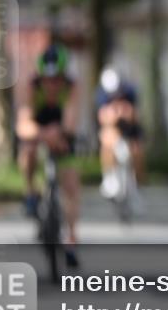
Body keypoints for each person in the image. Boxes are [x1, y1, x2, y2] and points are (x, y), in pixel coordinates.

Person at [15, 44, 81, 267]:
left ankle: (71, 239)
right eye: (47, 79)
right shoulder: (32, 87)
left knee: (70, 183)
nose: (52, 85)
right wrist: (43, 134)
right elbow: (23, 123)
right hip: (40, 128)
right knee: (28, 151)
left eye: (57, 79)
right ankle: (31, 192)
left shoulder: (71, 87)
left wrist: (61, 135)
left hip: (62, 133)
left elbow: (71, 121)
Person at [96, 66, 146, 199]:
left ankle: (137, 184)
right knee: (107, 140)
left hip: (131, 128)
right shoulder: (101, 94)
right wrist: (116, 114)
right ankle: (109, 176)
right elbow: (102, 117)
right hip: (112, 127)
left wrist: (124, 113)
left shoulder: (130, 91)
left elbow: (135, 115)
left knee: (137, 151)